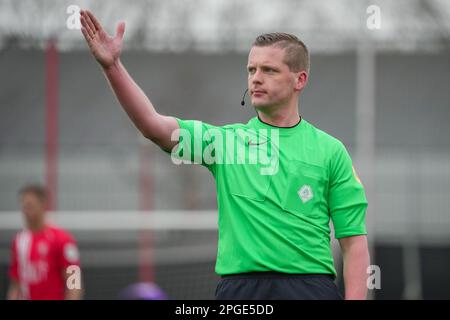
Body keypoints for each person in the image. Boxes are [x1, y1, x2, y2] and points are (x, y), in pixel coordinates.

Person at [79, 9, 370, 300]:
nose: (256, 78)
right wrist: (112, 67)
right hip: (240, 292)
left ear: (300, 80)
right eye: (251, 70)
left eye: (269, 70)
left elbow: (354, 243)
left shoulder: (331, 151)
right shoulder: (225, 143)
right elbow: (152, 125)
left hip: (309, 289)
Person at [7, 184, 82, 300]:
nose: (26, 211)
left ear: (43, 205)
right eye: (23, 206)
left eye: (30, 205)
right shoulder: (19, 240)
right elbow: (16, 283)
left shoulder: (62, 239)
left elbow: (74, 283)